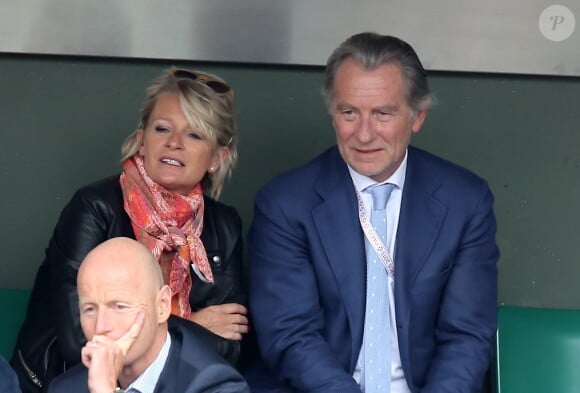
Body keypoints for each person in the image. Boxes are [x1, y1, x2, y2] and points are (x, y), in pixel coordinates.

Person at [244, 32, 499, 393]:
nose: (364, 135)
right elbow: (291, 334)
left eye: (382, 113)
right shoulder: (286, 203)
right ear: (333, 114)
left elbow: (468, 335)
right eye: (349, 112)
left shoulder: (464, 201)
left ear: (417, 116)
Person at [13, 67, 248, 393]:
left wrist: (157, 331)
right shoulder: (95, 207)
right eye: (162, 128)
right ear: (141, 140)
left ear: (217, 157)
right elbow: (82, 339)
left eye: (195, 134)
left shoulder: (224, 224)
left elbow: (233, 346)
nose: (174, 143)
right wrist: (193, 326)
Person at [47, 237, 250, 393]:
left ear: (162, 306)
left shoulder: (214, 385)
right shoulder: (67, 387)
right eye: (90, 309)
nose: (101, 327)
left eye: (119, 306)